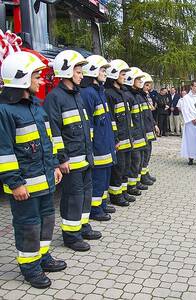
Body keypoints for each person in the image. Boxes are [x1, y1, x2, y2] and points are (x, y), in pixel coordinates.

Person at [0, 51, 66, 288]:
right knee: (28, 226)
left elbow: (48, 141)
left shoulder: (37, 107)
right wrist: (15, 182)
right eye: (37, 76)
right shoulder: (4, 111)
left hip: (46, 178)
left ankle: (42, 256)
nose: (41, 81)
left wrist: (56, 165)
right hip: (25, 185)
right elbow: (4, 152)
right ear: (22, 78)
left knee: (46, 220)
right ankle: (29, 268)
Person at [44, 50, 100, 252]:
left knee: (85, 195)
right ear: (66, 71)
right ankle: (70, 235)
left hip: (84, 157)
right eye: (78, 72)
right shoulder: (55, 98)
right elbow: (54, 132)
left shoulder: (77, 95)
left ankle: (81, 226)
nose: (81, 75)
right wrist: (61, 159)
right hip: (70, 160)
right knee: (72, 198)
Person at [80, 55, 116, 222]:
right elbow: (89, 125)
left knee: (105, 177)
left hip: (105, 144)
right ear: (92, 71)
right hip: (98, 147)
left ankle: (101, 204)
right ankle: (95, 209)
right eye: (102, 70)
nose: (105, 73)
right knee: (98, 178)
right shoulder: (88, 93)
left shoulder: (99, 91)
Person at [104, 59, 135, 207]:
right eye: (122, 74)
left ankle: (122, 192)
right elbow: (112, 120)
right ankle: (115, 195)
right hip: (119, 139)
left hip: (126, 137)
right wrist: (116, 139)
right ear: (114, 75)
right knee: (118, 168)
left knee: (126, 166)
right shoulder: (109, 94)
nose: (125, 77)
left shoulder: (122, 93)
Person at [179, 80, 196, 165]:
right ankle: (190, 157)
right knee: (190, 141)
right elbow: (184, 110)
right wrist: (191, 119)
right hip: (190, 123)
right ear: (191, 86)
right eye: (195, 86)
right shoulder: (186, 98)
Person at [140, 72, 159, 185]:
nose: (149, 87)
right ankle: (142, 175)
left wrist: (154, 124)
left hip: (149, 128)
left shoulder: (146, 97)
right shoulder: (140, 97)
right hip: (144, 130)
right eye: (147, 85)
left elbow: (149, 113)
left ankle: (145, 172)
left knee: (148, 152)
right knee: (143, 153)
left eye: (149, 85)